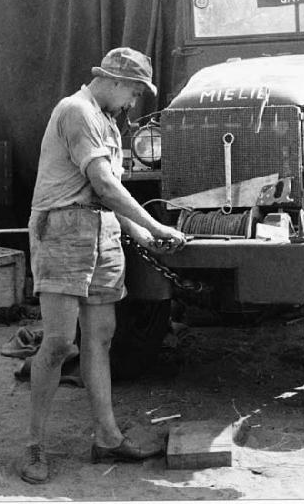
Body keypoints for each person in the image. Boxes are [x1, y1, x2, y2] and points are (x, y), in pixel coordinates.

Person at [20, 47, 187, 484]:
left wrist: (145, 236)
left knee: (101, 339)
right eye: (133, 91)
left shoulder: (108, 121)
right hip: (62, 232)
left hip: (102, 235)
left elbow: (107, 203)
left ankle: (107, 439)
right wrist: (154, 224)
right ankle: (34, 447)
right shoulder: (77, 112)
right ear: (113, 81)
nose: (133, 102)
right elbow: (104, 185)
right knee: (58, 344)